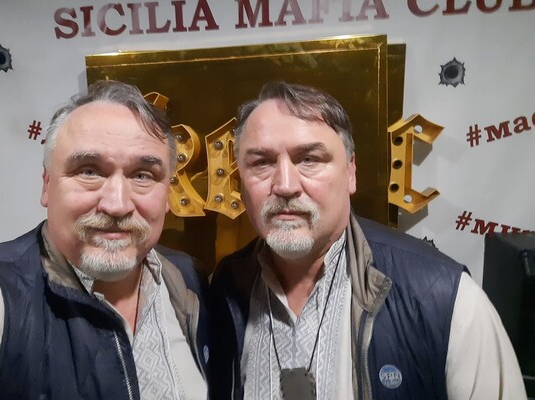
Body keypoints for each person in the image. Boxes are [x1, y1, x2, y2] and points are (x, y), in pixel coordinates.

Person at [208, 81, 526, 399]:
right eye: (261, 163)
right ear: (240, 182)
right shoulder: (225, 289)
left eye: (309, 159)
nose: (286, 185)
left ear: (351, 173)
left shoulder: (443, 298)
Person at [0, 80, 209, 399]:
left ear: (167, 193)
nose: (117, 204)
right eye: (89, 171)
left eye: (142, 175)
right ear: (46, 185)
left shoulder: (186, 279)